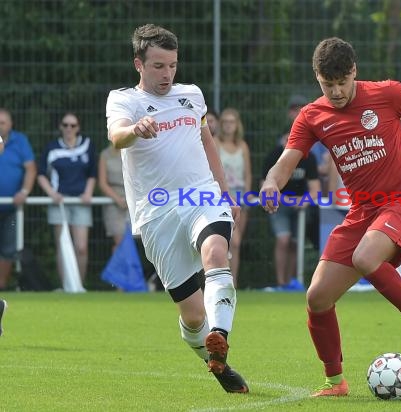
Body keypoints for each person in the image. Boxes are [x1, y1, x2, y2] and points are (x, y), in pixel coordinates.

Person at [260, 37, 401, 396]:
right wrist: (271, 182)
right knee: (316, 298)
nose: (336, 91)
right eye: (328, 84)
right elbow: (286, 162)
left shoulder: (388, 93)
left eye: (342, 82)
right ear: (317, 78)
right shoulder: (312, 116)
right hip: (363, 211)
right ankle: (335, 382)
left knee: (365, 257)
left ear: (354, 72)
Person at [105, 24, 248, 393]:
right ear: (139, 64)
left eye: (172, 65)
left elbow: (207, 141)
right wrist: (137, 129)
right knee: (192, 313)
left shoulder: (192, 95)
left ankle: (220, 333)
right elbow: (117, 136)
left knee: (216, 252)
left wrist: (225, 192)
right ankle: (216, 362)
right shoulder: (123, 101)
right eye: (157, 66)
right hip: (156, 213)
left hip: (200, 195)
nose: (167, 74)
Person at [37, 112, 97, 286]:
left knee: (81, 247)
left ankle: (79, 287)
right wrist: (52, 193)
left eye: (73, 125)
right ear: (60, 127)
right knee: (62, 246)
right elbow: (41, 174)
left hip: (80, 202)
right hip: (60, 202)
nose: (69, 129)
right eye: (65, 125)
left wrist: (88, 193)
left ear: (78, 127)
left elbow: (92, 173)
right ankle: (66, 287)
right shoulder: (52, 147)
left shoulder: (87, 145)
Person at [262, 131, 320, 291]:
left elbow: (315, 189)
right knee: (283, 240)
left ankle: (292, 282)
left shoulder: (309, 158)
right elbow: (265, 186)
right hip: (279, 204)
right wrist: (285, 200)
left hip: (300, 207)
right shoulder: (273, 156)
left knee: (295, 243)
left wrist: (303, 201)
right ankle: (281, 283)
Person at [0, 108, 37, 290]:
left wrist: (23, 191)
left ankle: (1, 286)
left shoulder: (20, 141)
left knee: (8, 250)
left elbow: (30, 168)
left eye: (2, 122)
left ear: (11, 124)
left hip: (11, 208)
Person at [214, 107, 252, 286]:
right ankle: (219, 282)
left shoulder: (242, 145)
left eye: (232, 122)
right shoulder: (215, 142)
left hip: (240, 197)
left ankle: (233, 283)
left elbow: (248, 174)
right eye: (226, 122)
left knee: (235, 244)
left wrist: (247, 197)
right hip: (220, 196)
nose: (229, 126)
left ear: (237, 125)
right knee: (227, 241)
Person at [98, 143, 129, 250]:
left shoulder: (132, 151)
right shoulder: (105, 155)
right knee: (120, 243)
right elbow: (102, 183)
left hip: (132, 201)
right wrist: (118, 200)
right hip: (113, 202)